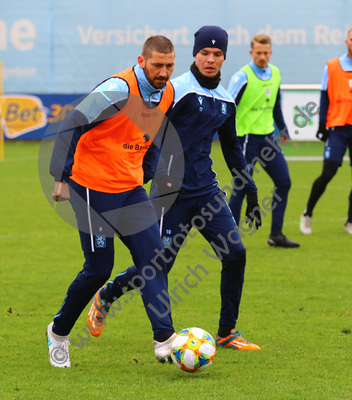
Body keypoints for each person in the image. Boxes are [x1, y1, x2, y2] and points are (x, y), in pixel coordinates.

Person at [87, 26, 263, 352]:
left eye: (217, 54)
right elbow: (147, 132)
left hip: (207, 192)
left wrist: (249, 188)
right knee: (158, 264)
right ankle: (109, 293)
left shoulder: (224, 101)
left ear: (224, 57)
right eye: (205, 53)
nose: (210, 60)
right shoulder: (175, 90)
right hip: (171, 194)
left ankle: (227, 331)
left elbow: (231, 150)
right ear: (195, 54)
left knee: (236, 253)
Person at [46, 35, 179, 367]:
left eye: (169, 66)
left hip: (130, 189)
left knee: (153, 260)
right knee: (98, 269)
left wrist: (150, 170)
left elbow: (155, 133)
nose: (164, 72)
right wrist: (61, 177)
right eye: (158, 65)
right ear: (142, 60)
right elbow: (72, 122)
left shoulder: (169, 93)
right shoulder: (118, 88)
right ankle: (58, 332)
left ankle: (164, 338)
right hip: (90, 189)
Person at [227, 34, 300, 248]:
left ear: (271, 53)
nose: (262, 56)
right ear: (251, 53)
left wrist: (283, 128)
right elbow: (228, 107)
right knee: (241, 187)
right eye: (258, 52)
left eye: (265, 52)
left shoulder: (275, 73)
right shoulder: (242, 77)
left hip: (268, 139)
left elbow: (275, 103)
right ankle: (228, 239)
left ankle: (276, 234)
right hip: (246, 140)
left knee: (284, 182)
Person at [300, 28, 352, 235]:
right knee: (328, 172)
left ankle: (350, 221)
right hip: (337, 128)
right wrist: (321, 125)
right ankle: (307, 213)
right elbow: (324, 96)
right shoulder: (332, 66)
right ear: (346, 40)